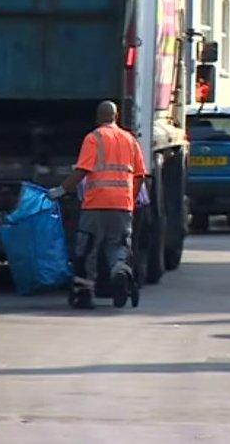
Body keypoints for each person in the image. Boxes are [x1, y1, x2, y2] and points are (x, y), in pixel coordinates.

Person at [48, 101, 147, 309]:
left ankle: (84, 294)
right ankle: (120, 272)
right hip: (122, 206)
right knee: (118, 246)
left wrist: (60, 190)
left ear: (97, 117)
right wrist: (131, 199)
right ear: (116, 116)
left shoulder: (93, 138)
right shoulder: (130, 140)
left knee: (87, 249)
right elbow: (139, 176)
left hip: (96, 205)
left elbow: (82, 170)